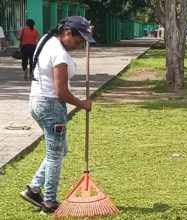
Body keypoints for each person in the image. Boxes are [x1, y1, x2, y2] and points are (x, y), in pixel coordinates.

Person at [19, 16, 94, 214]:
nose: (78, 46)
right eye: (78, 41)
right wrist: (83, 104)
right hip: (51, 105)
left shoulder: (48, 40)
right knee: (54, 155)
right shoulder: (59, 54)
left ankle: (34, 189)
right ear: (67, 33)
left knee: (60, 150)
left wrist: (86, 29)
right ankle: (49, 203)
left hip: (38, 102)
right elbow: (61, 92)